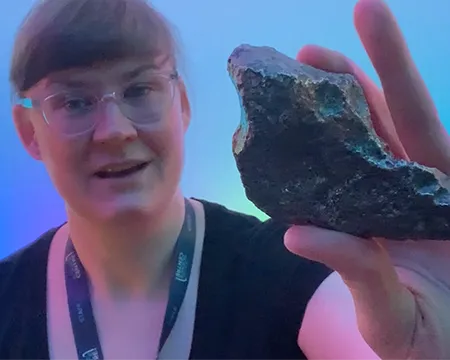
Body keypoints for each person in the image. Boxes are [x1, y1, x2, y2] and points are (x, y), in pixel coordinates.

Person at [1, 0, 449, 359]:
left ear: (182, 105)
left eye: (139, 90)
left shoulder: (292, 269)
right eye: (75, 102)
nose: (116, 130)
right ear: (29, 134)